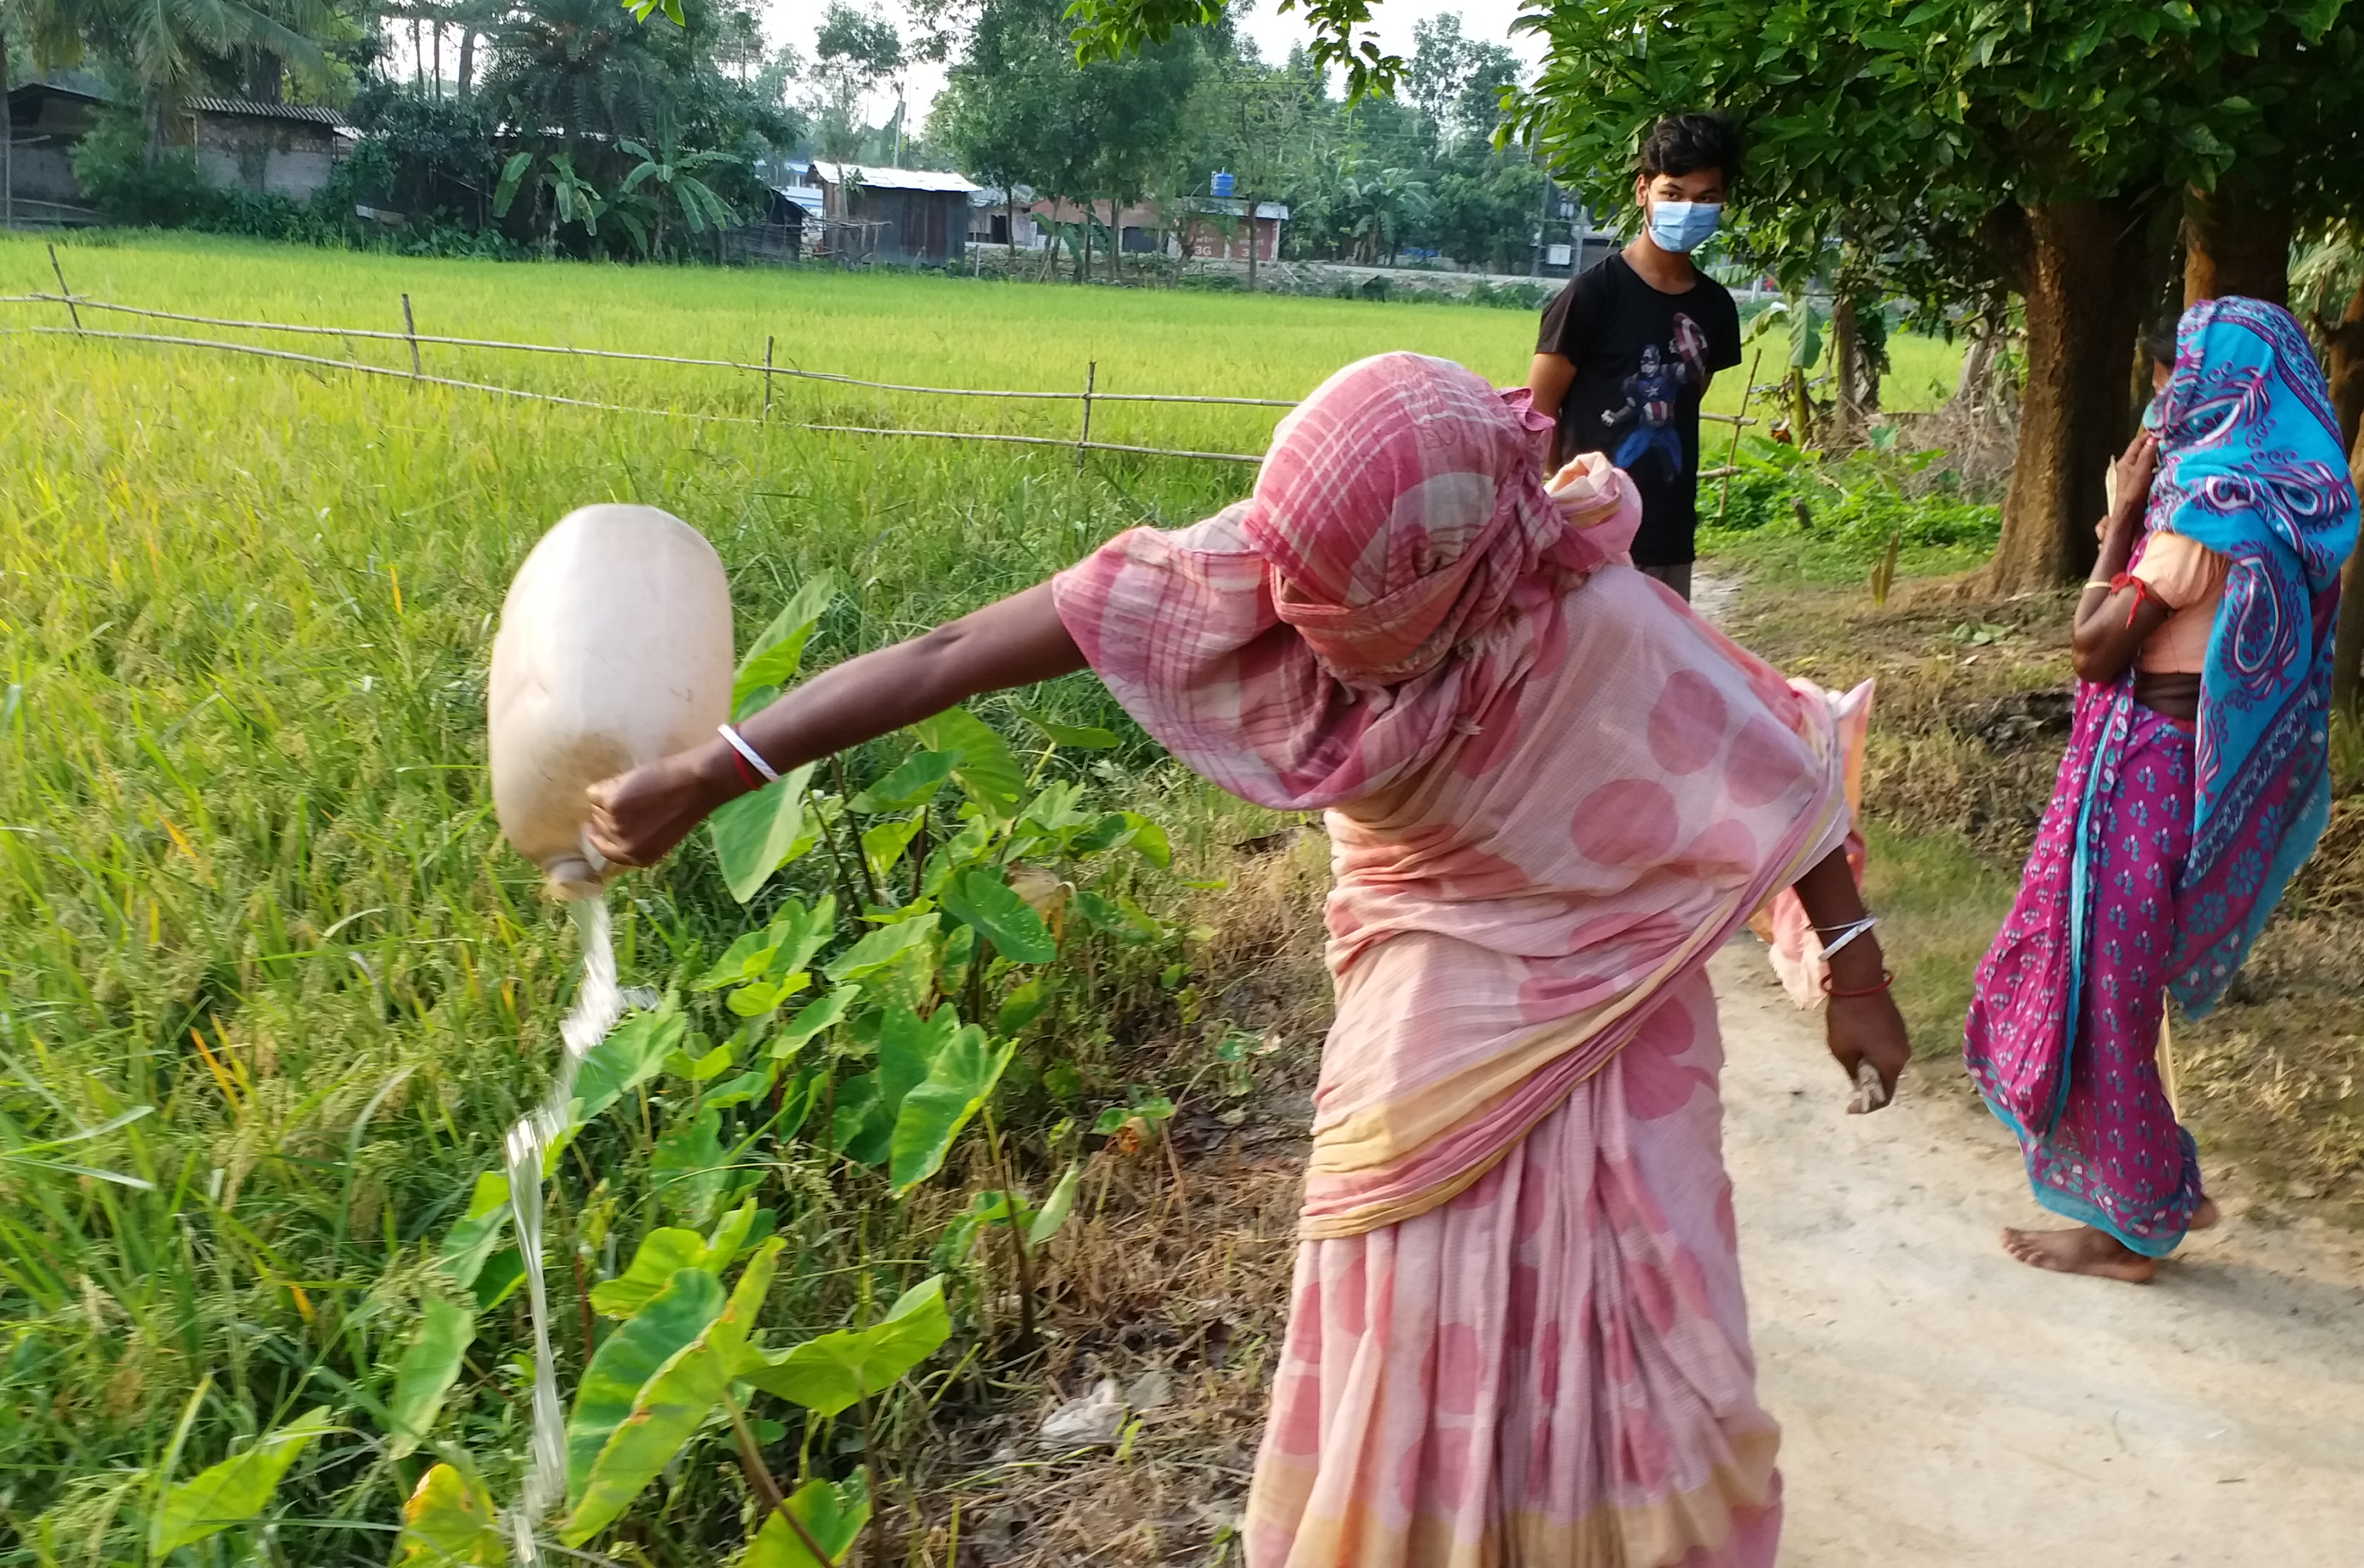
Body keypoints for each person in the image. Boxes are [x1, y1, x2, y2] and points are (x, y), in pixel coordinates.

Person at [584, 352, 1913, 1566]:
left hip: (1622, 1049)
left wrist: (1856, 972)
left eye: (1335, 600)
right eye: (1290, 575)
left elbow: (1776, 765)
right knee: (1409, 1356)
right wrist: (717, 769)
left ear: (1445, 577)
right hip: (1419, 1047)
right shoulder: (1281, 561)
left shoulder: (1594, 634)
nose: (1287, 612)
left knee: (1659, 1355)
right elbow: (951, 654)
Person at [1964, 297, 2356, 1284]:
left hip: (2146, 767)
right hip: (2174, 765)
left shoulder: (2204, 509)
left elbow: (2094, 649)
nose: (2166, 391)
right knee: (2114, 987)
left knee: (2105, 994)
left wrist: (2121, 522)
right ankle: (2158, 1189)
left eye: (2182, 369)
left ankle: (2131, 1226)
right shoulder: (2286, 497)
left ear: (2223, 382)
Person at [1527, 113, 1748, 603]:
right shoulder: (1591, 296)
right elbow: (1538, 416)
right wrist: (1561, 516)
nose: (1689, 209)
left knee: (1658, 674)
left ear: (1723, 202)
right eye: (1673, 193)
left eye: (1706, 197)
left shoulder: (1715, 309)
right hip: (1587, 538)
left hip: (1670, 534)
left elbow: (1689, 396)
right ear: (1643, 190)